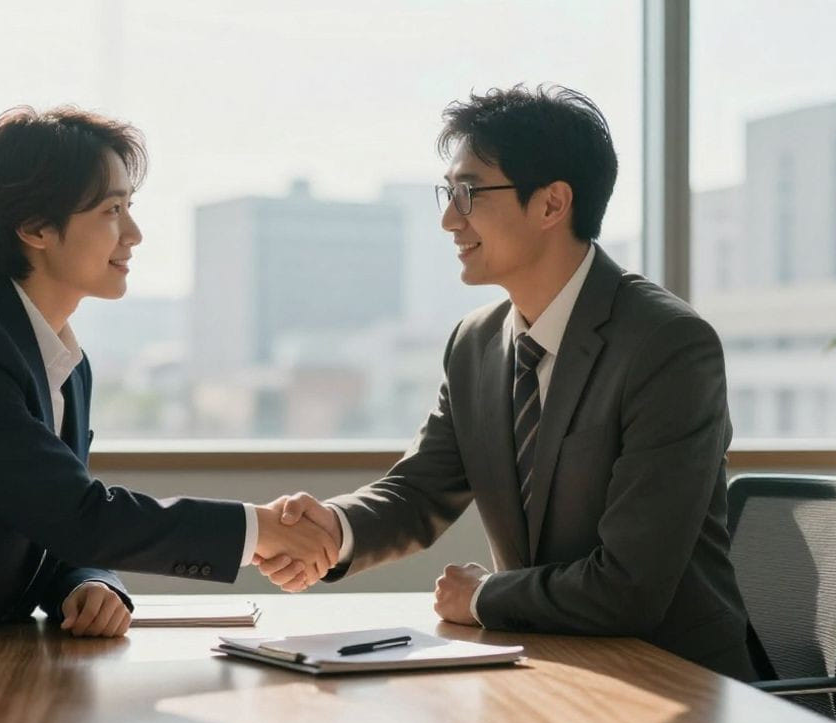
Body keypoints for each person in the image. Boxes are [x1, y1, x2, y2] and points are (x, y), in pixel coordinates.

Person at [0, 107, 338, 718]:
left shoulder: (57, 355)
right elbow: (77, 514)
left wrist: (90, 582)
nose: (134, 235)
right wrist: (260, 530)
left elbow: (49, 519)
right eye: (112, 211)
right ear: (35, 227)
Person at [257, 85, 757, 680]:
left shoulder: (667, 345)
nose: (448, 218)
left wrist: (481, 597)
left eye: (468, 193)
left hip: (673, 681)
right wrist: (332, 531)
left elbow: (630, 587)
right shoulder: (475, 343)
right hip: (554, 667)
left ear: (551, 205)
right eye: (448, 193)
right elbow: (421, 492)